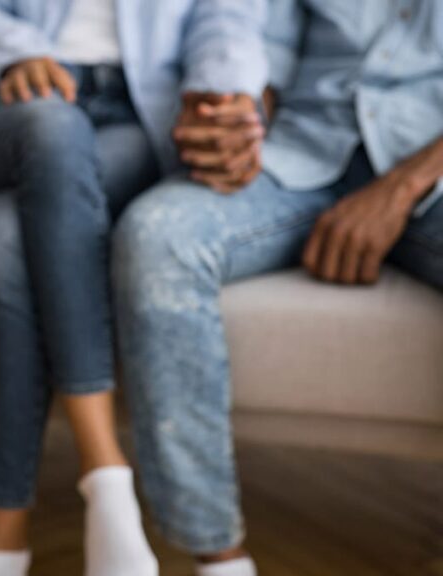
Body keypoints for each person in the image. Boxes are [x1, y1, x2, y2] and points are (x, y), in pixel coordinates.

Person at [0, 1, 268, 574]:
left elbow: (227, 18)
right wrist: (19, 51)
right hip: (15, 97)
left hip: (137, 114)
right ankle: (103, 467)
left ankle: (3, 527)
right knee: (52, 125)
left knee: (3, 233)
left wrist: (219, 89)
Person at [112, 1, 443, 575]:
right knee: (157, 235)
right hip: (303, 152)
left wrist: (402, 186)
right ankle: (217, 556)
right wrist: (240, 109)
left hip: (430, 171)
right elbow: (256, 32)